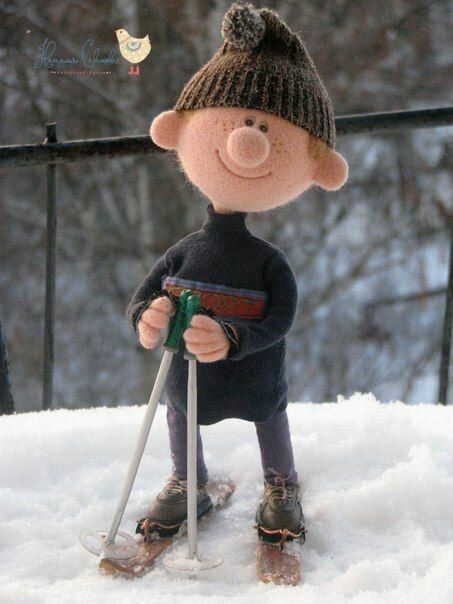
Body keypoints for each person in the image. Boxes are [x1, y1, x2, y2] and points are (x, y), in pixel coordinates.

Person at [126, 2, 348, 545]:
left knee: (270, 416)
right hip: (188, 375)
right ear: (178, 131)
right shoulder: (183, 254)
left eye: (265, 128)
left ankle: (281, 484)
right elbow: (141, 300)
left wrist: (233, 337)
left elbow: (280, 318)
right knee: (179, 414)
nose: (247, 141)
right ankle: (187, 480)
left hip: (255, 373)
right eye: (239, 122)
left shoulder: (269, 264)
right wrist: (150, 318)